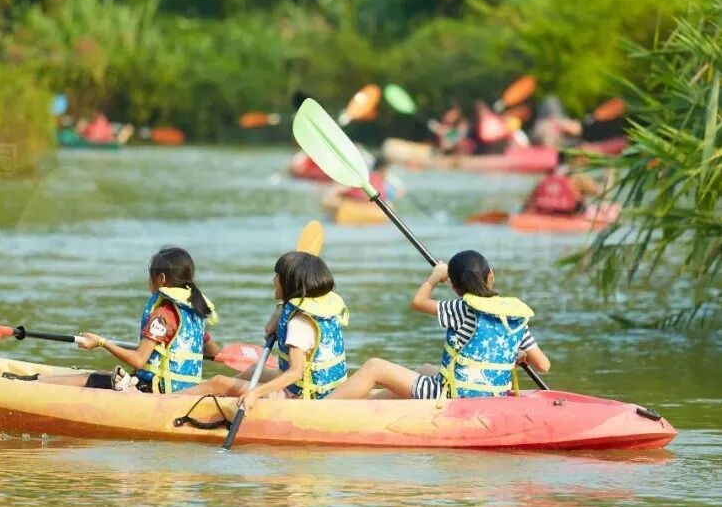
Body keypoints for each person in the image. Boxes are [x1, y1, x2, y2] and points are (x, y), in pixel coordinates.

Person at [328, 250, 550, 400]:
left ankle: (320, 410)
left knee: (374, 366)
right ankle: (368, 404)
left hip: (452, 396)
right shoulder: (516, 317)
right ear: (490, 275)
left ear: (454, 288)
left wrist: (434, 277)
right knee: (426, 370)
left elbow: (418, 302)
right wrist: (516, 355)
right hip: (492, 396)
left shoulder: (460, 308)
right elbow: (543, 365)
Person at [8, 247, 220, 393]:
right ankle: (31, 380)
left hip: (156, 391)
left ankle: (25, 385)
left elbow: (138, 361)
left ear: (161, 279)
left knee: (89, 378)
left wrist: (101, 343)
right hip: (186, 392)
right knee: (102, 375)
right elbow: (214, 354)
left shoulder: (163, 315)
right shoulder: (195, 313)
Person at [179, 251, 348, 408]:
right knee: (253, 371)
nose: (273, 280)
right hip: (316, 388)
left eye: (277, 276)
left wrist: (256, 392)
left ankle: (171, 401)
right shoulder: (314, 311)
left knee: (218, 382)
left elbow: (296, 372)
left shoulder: (299, 323)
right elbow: (270, 329)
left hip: (300, 398)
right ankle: (222, 399)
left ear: (289, 284)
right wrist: (280, 310)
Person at [523, 153, 605, 216]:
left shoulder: (546, 177)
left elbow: (529, 201)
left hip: (544, 214)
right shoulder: (579, 178)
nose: (586, 160)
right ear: (577, 160)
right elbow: (600, 193)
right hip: (571, 215)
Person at [322, 155, 399, 210]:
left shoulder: (379, 182)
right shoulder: (367, 179)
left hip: (362, 207)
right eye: (388, 170)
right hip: (353, 205)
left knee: (390, 205)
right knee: (390, 206)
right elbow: (333, 194)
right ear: (384, 169)